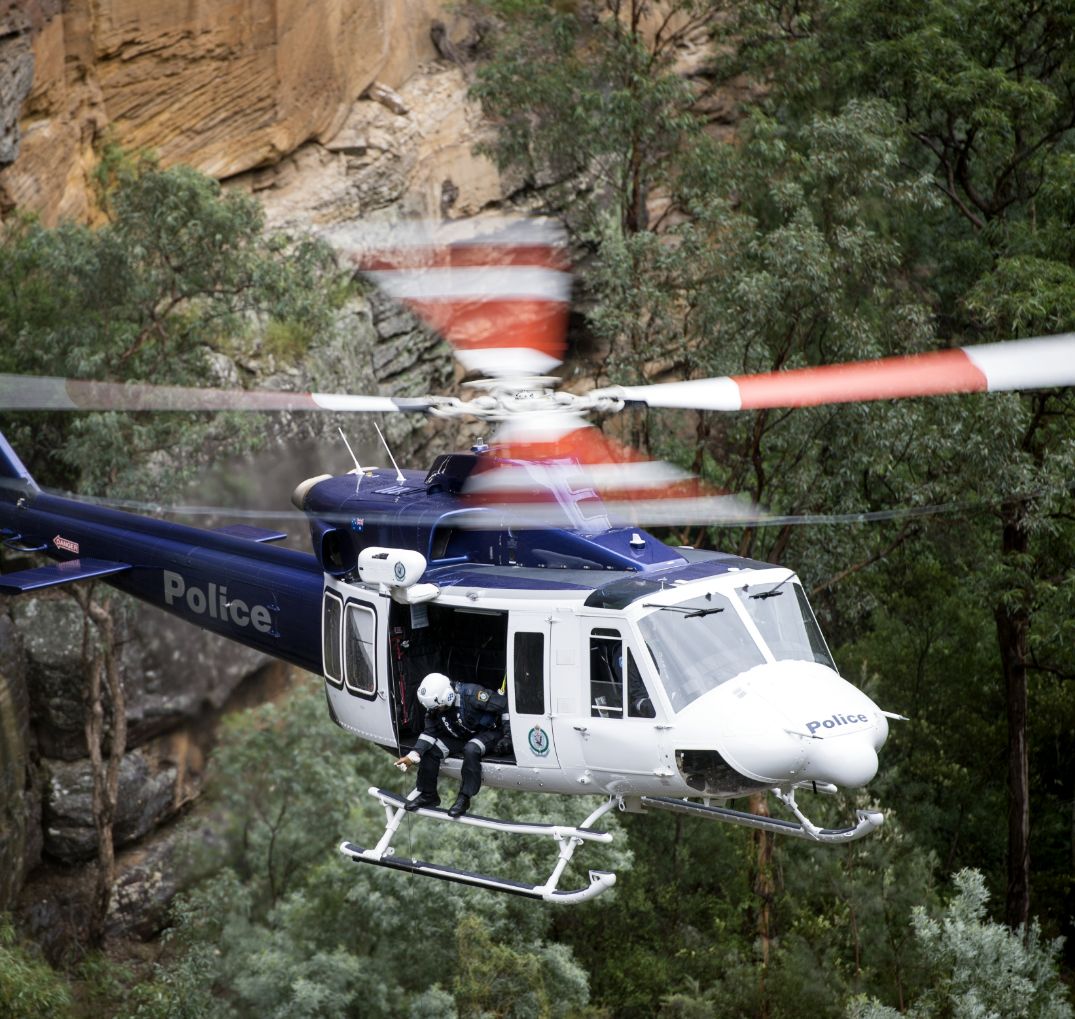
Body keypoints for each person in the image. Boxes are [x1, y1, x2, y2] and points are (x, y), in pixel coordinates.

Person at [395, 672, 508, 818]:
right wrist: (412, 756)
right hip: (461, 734)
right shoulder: (434, 709)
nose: (434, 712)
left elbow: (504, 705)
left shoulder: (472, 694)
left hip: (488, 732)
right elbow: (429, 733)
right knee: (431, 752)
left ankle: (464, 798)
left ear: (447, 697)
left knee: (471, 749)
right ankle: (428, 794)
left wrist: (508, 736)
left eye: (438, 708)